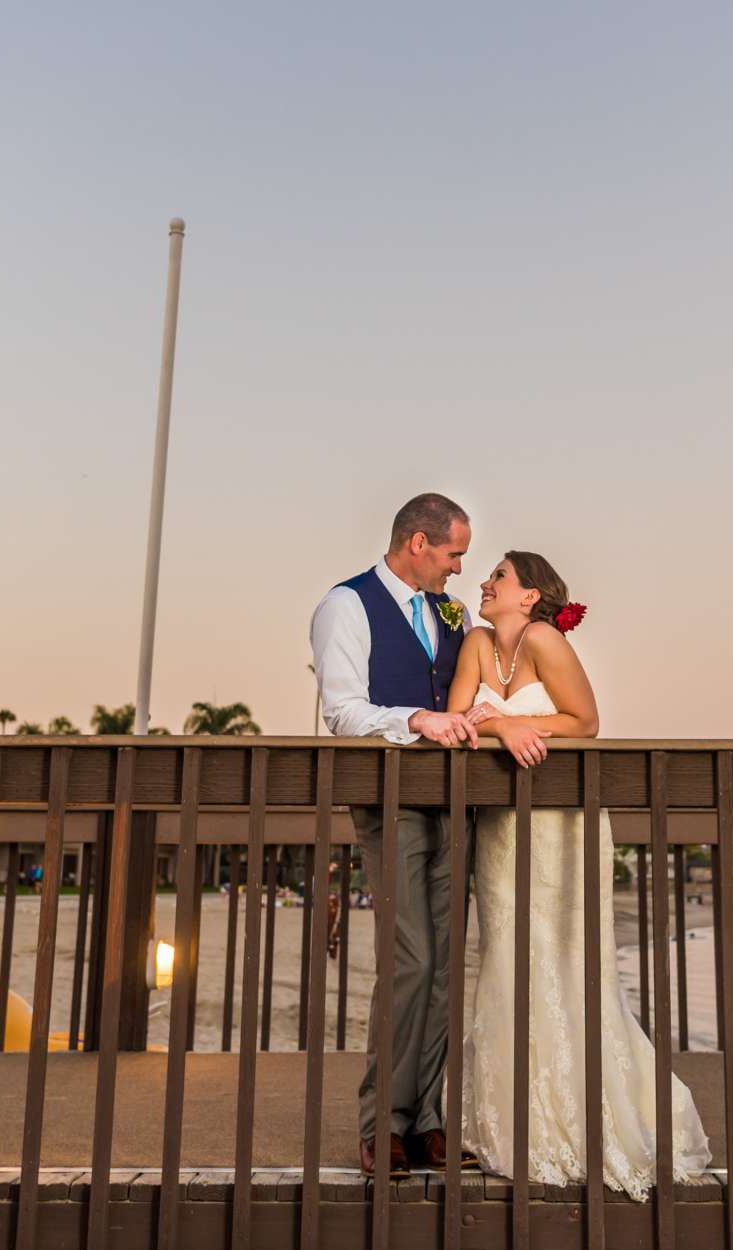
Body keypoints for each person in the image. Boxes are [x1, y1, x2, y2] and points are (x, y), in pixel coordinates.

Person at [453, 550, 711, 1199]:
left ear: (531, 596)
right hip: (501, 829)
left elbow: (586, 723)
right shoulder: (477, 645)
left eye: (500, 577)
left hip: (560, 826)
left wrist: (509, 722)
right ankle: (510, 1120)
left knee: (566, 958)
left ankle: (587, 1111)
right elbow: (460, 724)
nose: (485, 583)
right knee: (507, 958)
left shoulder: (544, 639)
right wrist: (491, 727)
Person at [308, 491, 483, 1177]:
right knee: (409, 961)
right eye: (453, 554)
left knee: (445, 967)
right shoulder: (345, 606)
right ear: (417, 542)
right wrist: (416, 721)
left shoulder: (453, 613)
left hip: (456, 803)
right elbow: (343, 710)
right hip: (389, 801)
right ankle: (382, 1122)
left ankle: (426, 1121)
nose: (458, 570)